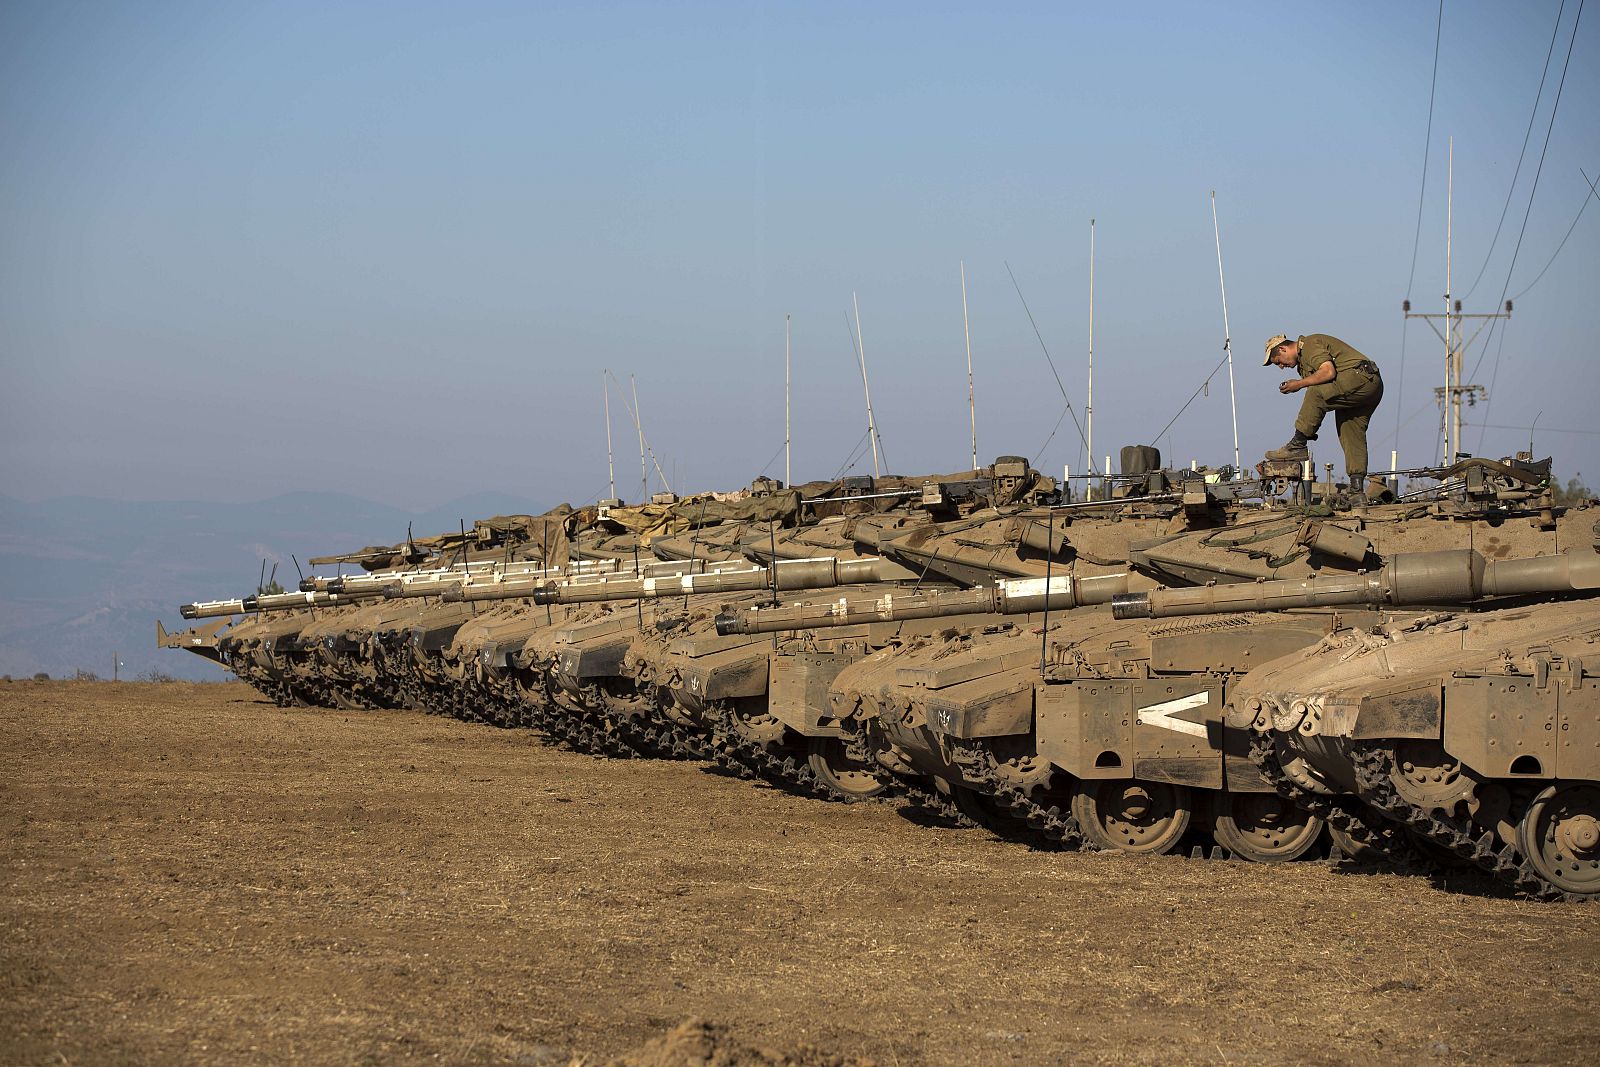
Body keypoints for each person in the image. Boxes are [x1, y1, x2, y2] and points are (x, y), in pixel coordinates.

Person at [1262, 333, 1383, 490]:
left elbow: (1328, 372)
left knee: (1316, 392)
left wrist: (1299, 384)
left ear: (1283, 348)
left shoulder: (1310, 345)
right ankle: (1357, 489)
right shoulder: (1302, 364)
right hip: (1369, 387)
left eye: (1278, 362)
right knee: (1349, 429)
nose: (1281, 367)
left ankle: (1297, 445)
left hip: (1360, 378)